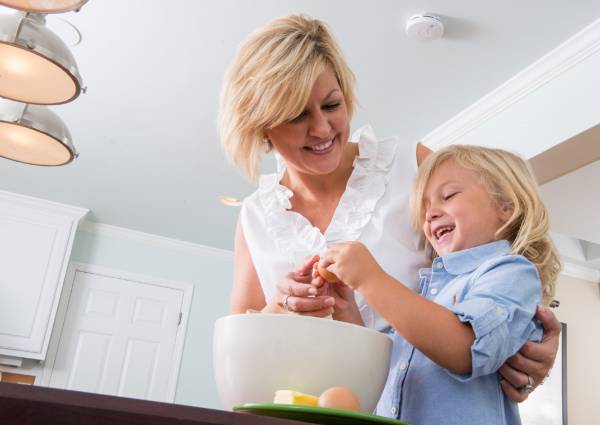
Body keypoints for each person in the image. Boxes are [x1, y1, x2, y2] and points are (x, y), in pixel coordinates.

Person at [218, 13, 560, 404]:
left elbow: (504, 259)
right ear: (261, 127)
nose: (323, 129)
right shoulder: (256, 216)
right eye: (298, 116)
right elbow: (240, 350)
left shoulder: (410, 166)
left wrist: (533, 345)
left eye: (332, 105)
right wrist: (279, 307)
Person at [315, 145, 561, 424]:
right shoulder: (426, 296)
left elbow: (465, 348)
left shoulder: (511, 272)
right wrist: (346, 307)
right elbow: (380, 368)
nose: (430, 214)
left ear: (507, 205)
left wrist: (371, 278)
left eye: (448, 196)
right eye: (425, 207)